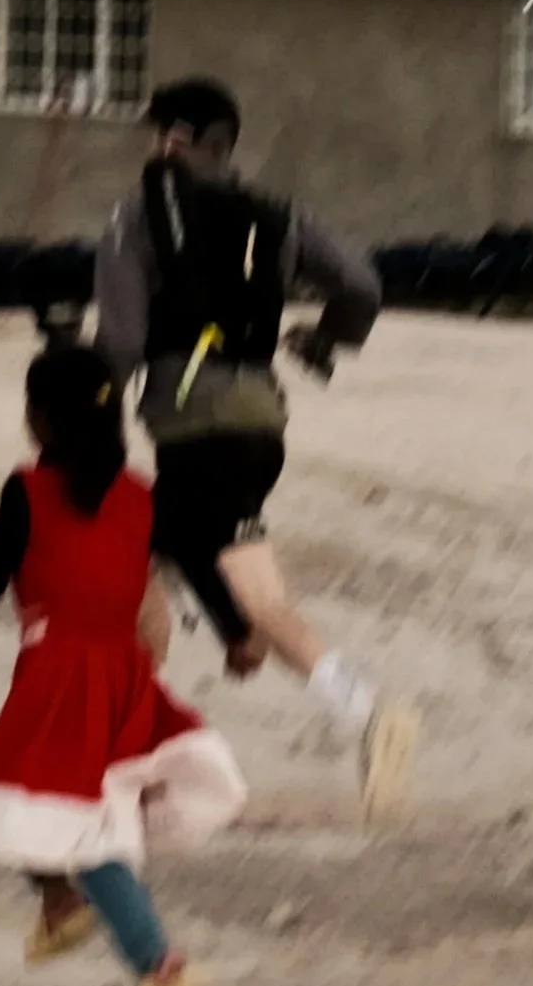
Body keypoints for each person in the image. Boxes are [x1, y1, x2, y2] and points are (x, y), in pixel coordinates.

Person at [94, 76, 417, 829]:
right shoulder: (278, 217)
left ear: (176, 138)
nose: (153, 144)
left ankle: (366, 711)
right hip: (257, 424)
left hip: (192, 425)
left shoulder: (137, 215)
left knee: (202, 586)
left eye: (159, 131)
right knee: (177, 569)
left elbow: (120, 341)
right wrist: (323, 336)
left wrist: (95, 420)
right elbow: (363, 283)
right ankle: (138, 752)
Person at [0, 342, 245, 986]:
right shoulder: (142, 492)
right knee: (22, 792)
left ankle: (158, 965)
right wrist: (235, 631)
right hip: (123, 669)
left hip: (62, 674)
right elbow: (195, 558)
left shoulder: (26, 488)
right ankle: (58, 902)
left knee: (55, 809)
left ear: (40, 420)